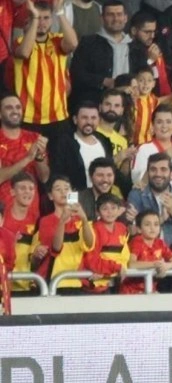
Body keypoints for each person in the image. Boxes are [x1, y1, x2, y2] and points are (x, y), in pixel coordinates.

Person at [13, 0, 78, 142]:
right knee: (30, 157)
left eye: (46, 18)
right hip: (28, 117)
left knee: (61, 156)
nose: (42, 22)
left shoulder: (57, 40)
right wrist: (34, 19)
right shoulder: (19, 42)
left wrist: (59, 13)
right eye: (38, 18)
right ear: (29, 20)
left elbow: (73, 44)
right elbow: (24, 52)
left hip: (58, 117)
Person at [70, 1, 139, 107]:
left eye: (119, 14)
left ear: (125, 18)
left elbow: (142, 73)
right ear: (102, 19)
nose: (116, 19)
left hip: (127, 105)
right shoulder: (88, 43)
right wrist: (104, 81)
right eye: (110, 15)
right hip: (95, 104)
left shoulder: (136, 47)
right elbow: (77, 73)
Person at [32, 175, 95, 291]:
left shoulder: (82, 219)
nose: (63, 192)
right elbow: (56, 248)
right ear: (50, 196)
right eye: (58, 189)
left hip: (77, 280)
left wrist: (84, 219)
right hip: (53, 281)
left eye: (67, 188)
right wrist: (62, 221)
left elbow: (89, 244)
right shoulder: (45, 221)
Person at [0, 93, 50, 221]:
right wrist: (28, 158)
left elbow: (44, 177)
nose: (15, 111)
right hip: (3, 209)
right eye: (9, 108)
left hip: (31, 208)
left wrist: (39, 157)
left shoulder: (34, 137)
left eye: (18, 107)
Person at [127, 152, 172, 245]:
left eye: (163, 169)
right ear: (148, 173)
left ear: (171, 173)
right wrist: (160, 219)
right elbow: (132, 232)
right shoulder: (136, 195)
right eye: (153, 169)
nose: (158, 174)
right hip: (145, 250)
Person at [48, 101, 115, 192]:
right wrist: (72, 199)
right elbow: (59, 175)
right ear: (75, 119)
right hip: (75, 198)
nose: (89, 122)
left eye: (93, 118)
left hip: (103, 198)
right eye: (84, 118)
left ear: (98, 120)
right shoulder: (64, 143)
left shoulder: (104, 141)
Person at [121, 209, 172, 293]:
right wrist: (155, 264)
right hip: (131, 291)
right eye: (147, 224)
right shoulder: (137, 241)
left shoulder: (160, 243)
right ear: (139, 229)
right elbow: (132, 264)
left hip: (150, 289)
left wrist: (166, 266)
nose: (152, 228)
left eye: (156, 224)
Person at [81, 193, 129, 293]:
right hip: (94, 286)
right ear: (97, 212)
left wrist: (117, 269)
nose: (109, 212)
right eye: (105, 208)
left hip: (117, 281)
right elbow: (90, 260)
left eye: (113, 208)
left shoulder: (122, 228)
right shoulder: (93, 229)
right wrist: (116, 268)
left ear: (119, 210)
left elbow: (124, 255)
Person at [1, 173, 39, 292]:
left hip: (25, 285)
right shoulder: (2, 218)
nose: (27, 191)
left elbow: (35, 260)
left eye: (31, 188)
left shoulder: (37, 220)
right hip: (3, 284)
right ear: (12, 192)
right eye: (22, 188)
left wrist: (37, 255)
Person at [129, 10, 171, 98]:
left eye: (153, 32)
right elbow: (133, 76)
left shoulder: (154, 47)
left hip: (161, 98)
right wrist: (150, 61)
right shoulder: (128, 50)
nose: (152, 36)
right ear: (134, 30)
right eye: (147, 32)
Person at [133, 66, 160, 146]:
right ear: (135, 82)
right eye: (141, 80)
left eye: (149, 80)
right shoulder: (132, 99)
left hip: (149, 143)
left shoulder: (154, 100)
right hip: (132, 143)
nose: (145, 83)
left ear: (153, 84)